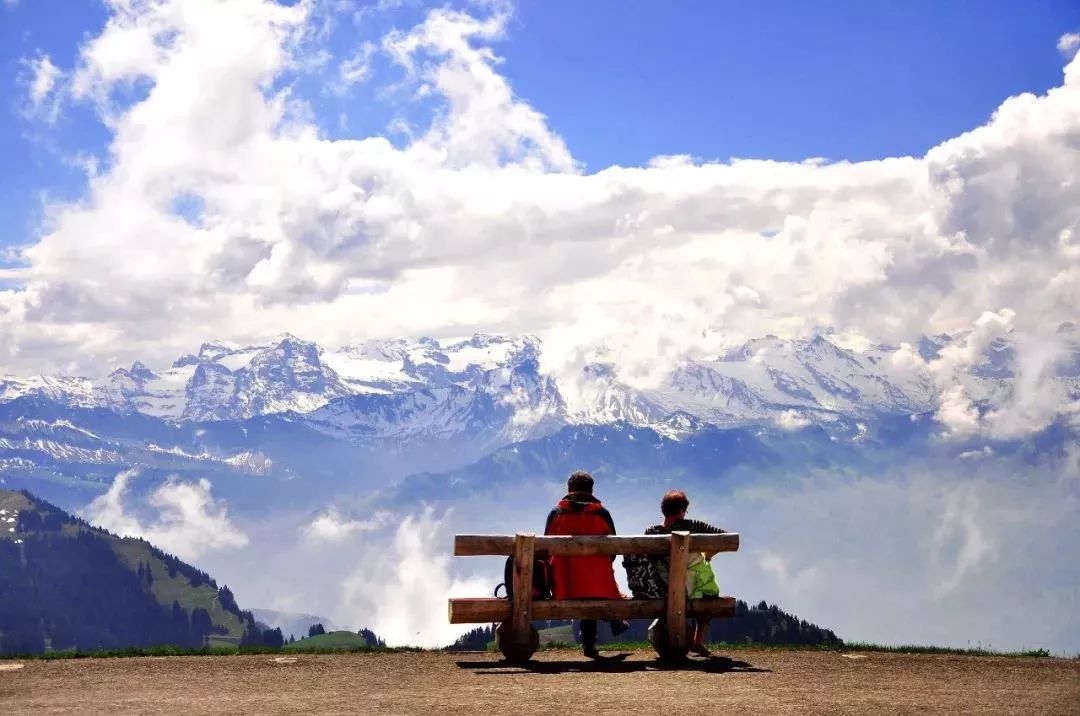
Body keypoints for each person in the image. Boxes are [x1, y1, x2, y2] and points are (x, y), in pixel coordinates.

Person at [544, 470, 629, 659]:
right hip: (599, 586)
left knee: (580, 577)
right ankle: (596, 638)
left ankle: (590, 641)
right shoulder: (602, 514)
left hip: (564, 585)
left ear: (568, 489)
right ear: (591, 490)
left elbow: (546, 547)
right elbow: (613, 550)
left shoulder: (557, 514)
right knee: (593, 577)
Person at [645, 490, 726, 657]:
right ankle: (697, 641)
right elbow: (724, 537)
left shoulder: (651, 531)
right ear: (682, 511)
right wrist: (709, 554)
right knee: (708, 592)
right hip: (690, 588)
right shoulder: (692, 526)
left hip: (662, 588)